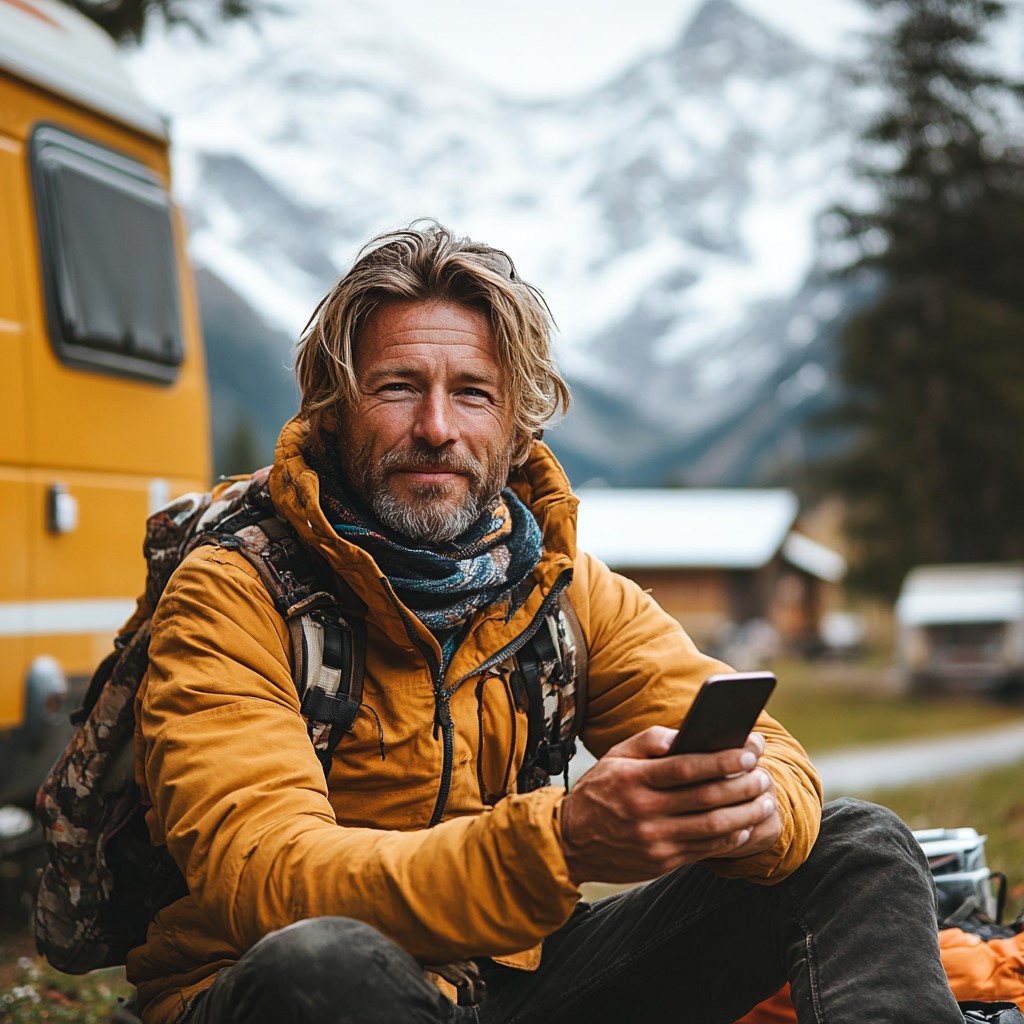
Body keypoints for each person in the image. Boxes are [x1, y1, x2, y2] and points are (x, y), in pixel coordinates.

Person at [129, 221, 1018, 1024]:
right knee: (327, 961)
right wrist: (561, 840)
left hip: (514, 986)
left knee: (853, 843)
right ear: (331, 408)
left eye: (473, 393)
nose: (436, 427)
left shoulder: (558, 589)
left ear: (516, 425)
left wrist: (752, 813)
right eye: (397, 387)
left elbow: (778, 757)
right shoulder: (233, 593)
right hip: (281, 990)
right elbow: (269, 877)